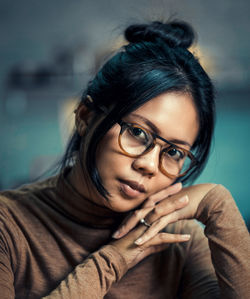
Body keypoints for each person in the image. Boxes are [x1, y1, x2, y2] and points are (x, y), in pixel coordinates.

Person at [0, 20, 249, 299]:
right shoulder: (8, 227)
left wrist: (219, 205)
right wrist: (114, 259)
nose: (149, 165)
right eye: (138, 133)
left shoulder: (180, 241)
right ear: (84, 117)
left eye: (174, 152)